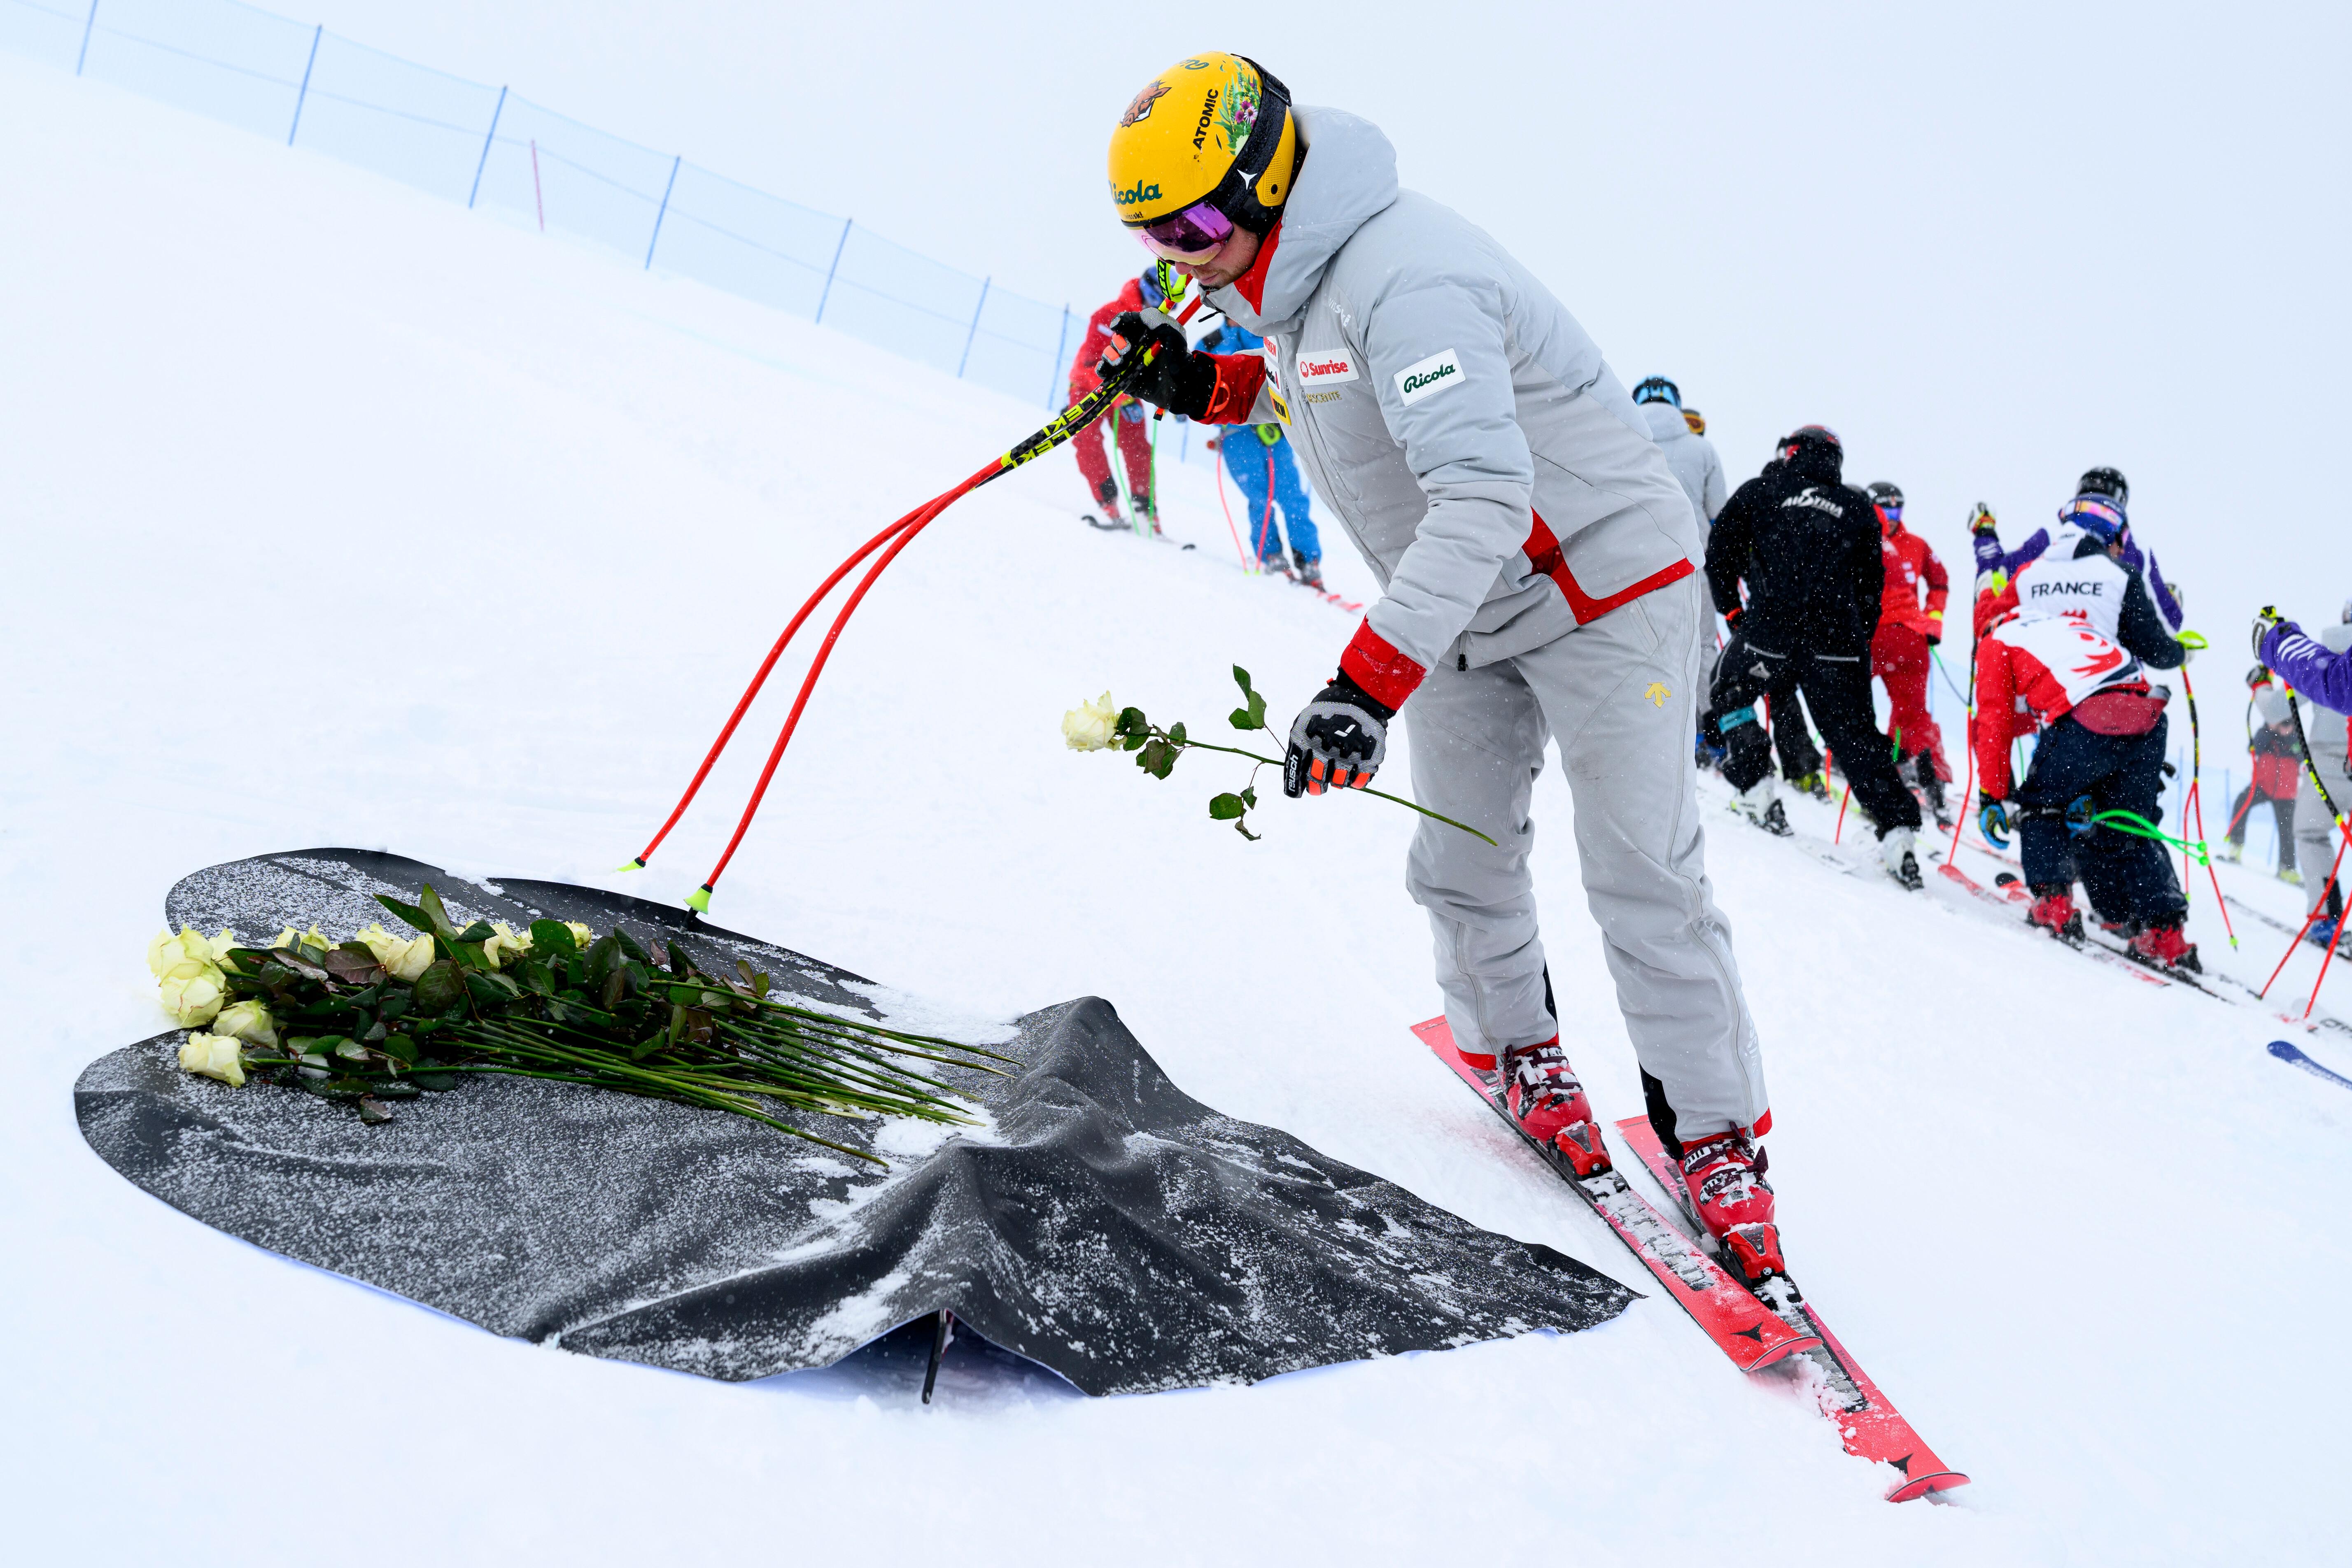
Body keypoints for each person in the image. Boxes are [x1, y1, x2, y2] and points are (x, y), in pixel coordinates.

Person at [1096, 51, 1784, 1282]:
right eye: (1154, 236)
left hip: (1600, 590)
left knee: (1640, 872)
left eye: (1192, 227)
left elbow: (1480, 494)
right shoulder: (1292, 280)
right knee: (1459, 860)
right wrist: (1201, 384)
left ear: (1261, 183)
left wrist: (1363, 686)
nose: (1181, 258)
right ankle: (1519, 1052)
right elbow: (1324, 396)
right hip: (1470, 598)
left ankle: (1716, 1138)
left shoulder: (1405, 278)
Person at [1974, 494, 2198, 969]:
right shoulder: (2060, 625)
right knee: (2130, 822)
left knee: (2042, 805)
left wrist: (1993, 795)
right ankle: (2165, 931)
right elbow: (2145, 651)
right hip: (2146, 714)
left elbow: (1994, 723)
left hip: (2089, 714)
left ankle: (2054, 903)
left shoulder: (1996, 639)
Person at [1702, 426, 1926, 885]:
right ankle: (1897, 834)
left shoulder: (1762, 490)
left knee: (1729, 689)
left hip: (1772, 627)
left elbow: (1719, 550)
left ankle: (1756, 786)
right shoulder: (1856, 506)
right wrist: (1855, 640)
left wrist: (1733, 611)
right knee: (1854, 736)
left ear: (1791, 453)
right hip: (1837, 640)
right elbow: (1871, 585)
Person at [1972, 466, 2184, 631]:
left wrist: (1985, 532)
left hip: (2045, 653)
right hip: (2112, 661)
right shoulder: (2134, 550)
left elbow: (1996, 574)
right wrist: (2170, 605)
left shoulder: (2053, 536)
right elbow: (2168, 623)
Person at [2254, 601, 2352, 946]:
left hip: (2327, 763)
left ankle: (2327, 918)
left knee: (2311, 834)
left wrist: (2259, 685)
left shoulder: (2327, 656)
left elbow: (2277, 710)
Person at [1199, 319, 1325, 586]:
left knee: (1291, 495)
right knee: (1259, 498)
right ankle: (1271, 555)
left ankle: (1308, 560)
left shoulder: (1270, 336)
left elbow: (1290, 372)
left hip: (1275, 428)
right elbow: (1193, 380)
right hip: (1236, 435)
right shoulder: (1211, 343)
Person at [1865, 482, 1953, 824]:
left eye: (1896, 508)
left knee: (1864, 704)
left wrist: (1933, 621)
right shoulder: (1872, 539)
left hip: (1894, 636)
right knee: (1910, 713)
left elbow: (1940, 580)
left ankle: (1892, 765)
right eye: (1885, 508)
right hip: (1897, 637)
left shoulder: (1913, 544)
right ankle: (1917, 769)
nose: (1891, 515)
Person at [1068, 268, 1164, 532]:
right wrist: (1121, 398)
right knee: (1088, 440)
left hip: (1127, 392)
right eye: (1156, 298)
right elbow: (1091, 365)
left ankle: (1145, 509)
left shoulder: (1158, 326)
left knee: (1137, 446)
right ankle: (1107, 502)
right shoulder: (1109, 314)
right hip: (1088, 387)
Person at [2219, 664, 2301, 882]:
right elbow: (2253, 748)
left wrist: (2289, 736)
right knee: (2242, 803)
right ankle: (2236, 847)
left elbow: (2302, 755)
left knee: (2287, 831)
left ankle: (2287, 868)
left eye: (2288, 723)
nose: (2285, 727)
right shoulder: (2266, 734)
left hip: (2286, 792)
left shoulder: (2296, 738)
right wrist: (2270, 729)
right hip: (2263, 785)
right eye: (2282, 723)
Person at [1632, 376, 1728, 529]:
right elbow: (1719, 512)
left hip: (1632, 539)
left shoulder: (1618, 445)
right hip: (1693, 540)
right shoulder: (1704, 449)